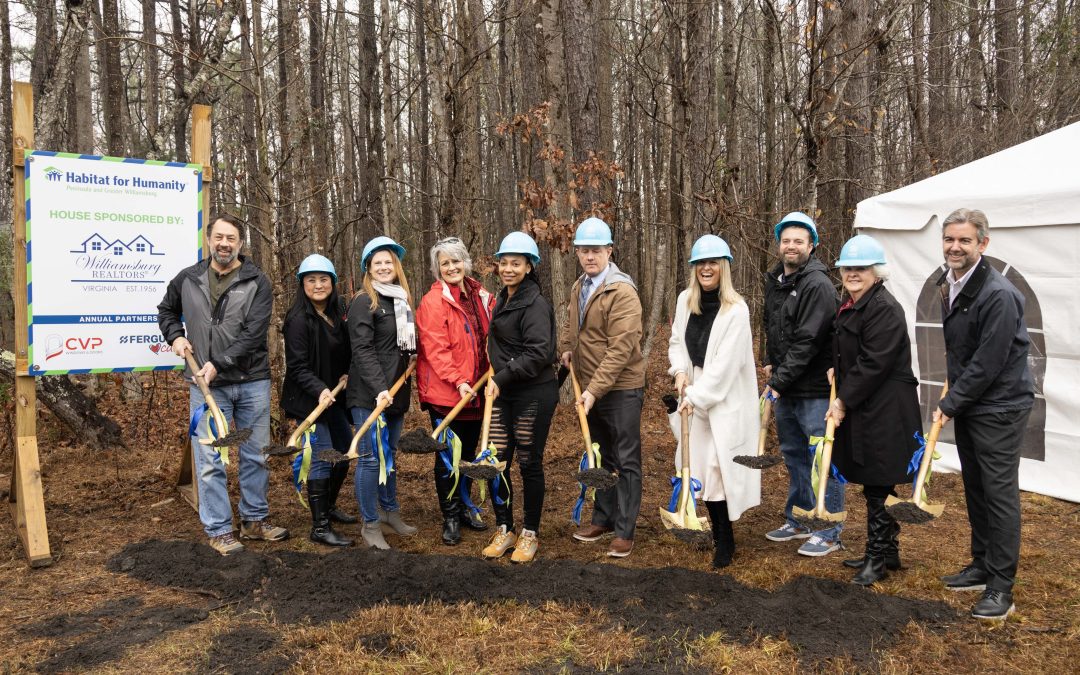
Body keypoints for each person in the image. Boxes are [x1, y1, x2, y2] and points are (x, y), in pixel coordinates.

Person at [157, 213, 287, 556]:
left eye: (231, 238)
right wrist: (175, 337)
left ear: (240, 244)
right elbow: (166, 311)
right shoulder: (187, 278)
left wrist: (219, 363)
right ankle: (218, 529)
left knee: (255, 454)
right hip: (204, 386)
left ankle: (254, 520)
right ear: (209, 239)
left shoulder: (257, 280)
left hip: (251, 382)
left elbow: (253, 334)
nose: (224, 244)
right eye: (219, 237)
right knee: (211, 460)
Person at [933, 208, 1033, 620]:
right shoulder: (950, 283)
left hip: (1001, 407)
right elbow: (963, 350)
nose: (955, 247)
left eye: (965, 240)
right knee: (975, 486)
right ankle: (980, 564)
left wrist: (950, 403)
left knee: (999, 493)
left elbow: (988, 363)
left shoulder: (998, 295)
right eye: (950, 239)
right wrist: (958, 398)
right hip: (974, 403)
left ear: (983, 244)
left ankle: (1001, 587)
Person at [824, 235, 921, 586]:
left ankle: (876, 558)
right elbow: (853, 351)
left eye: (861, 268)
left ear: (876, 272)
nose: (853, 273)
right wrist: (838, 368)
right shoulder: (852, 303)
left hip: (886, 408)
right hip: (868, 403)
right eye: (848, 267)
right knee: (876, 480)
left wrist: (842, 400)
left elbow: (874, 362)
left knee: (879, 481)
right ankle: (888, 550)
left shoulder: (883, 308)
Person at [667, 235, 761, 568]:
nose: (706, 269)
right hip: (692, 397)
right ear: (694, 269)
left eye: (713, 264)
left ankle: (727, 540)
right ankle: (716, 534)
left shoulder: (736, 310)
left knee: (720, 470)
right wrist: (679, 371)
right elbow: (677, 340)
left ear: (723, 268)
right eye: (700, 264)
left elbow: (725, 367)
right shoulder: (684, 300)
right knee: (700, 470)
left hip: (721, 402)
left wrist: (696, 395)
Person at [560, 217, 646, 558]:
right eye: (583, 250)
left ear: (609, 250)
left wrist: (594, 391)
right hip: (591, 387)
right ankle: (604, 518)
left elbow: (621, 349)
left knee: (626, 460)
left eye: (596, 250)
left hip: (621, 388)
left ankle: (625, 530)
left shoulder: (622, 291)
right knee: (601, 457)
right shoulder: (579, 286)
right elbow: (572, 324)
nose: (589, 256)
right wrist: (566, 347)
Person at [762, 211, 845, 557]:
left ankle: (829, 529)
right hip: (787, 386)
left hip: (811, 388)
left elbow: (808, 341)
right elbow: (772, 326)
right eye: (786, 240)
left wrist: (778, 381)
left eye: (799, 240)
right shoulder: (777, 280)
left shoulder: (817, 284)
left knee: (820, 457)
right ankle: (799, 518)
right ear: (779, 244)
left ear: (812, 245)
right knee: (794, 455)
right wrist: (769, 360)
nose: (791, 246)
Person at [480, 232, 559, 563]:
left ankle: (529, 533)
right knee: (496, 463)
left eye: (516, 263)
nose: (508, 268)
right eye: (504, 262)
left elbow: (539, 352)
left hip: (533, 393)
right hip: (504, 392)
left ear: (529, 266)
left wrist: (502, 375)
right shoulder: (503, 299)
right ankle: (504, 528)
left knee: (528, 462)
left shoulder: (536, 303)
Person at [416, 236, 495, 546]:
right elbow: (436, 349)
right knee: (448, 457)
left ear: (466, 262)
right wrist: (458, 380)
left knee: (469, 455)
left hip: (478, 390)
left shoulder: (482, 295)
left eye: (456, 261)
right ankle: (449, 515)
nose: (451, 267)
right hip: (449, 394)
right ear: (438, 269)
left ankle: (464, 508)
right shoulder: (433, 302)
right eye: (444, 263)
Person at [346, 236, 418, 549]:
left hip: (396, 393)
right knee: (370, 459)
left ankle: (390, 512)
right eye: (378, 263)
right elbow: (362, 350)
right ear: (368, 268)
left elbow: (402, 347)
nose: (385, 267)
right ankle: (370, 524)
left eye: (389, 261)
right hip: (369, 394)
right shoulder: (365, 301)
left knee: (389, 455)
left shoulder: (401, 300)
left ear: (396, 266)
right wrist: (379, 389)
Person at [281, 254, 354, 548]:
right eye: (311, 280)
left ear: (333, 283)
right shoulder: (298, 320)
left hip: (334, 398)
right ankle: (319, 526)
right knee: (322, 456)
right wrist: (320, 389)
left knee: (344, 451)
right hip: (309, 399)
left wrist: (347, 373)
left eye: (324, 279)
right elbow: (297, 367)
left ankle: (330, 505)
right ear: (303, 284)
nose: (318, 285)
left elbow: (344, 351)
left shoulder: (338, 313)